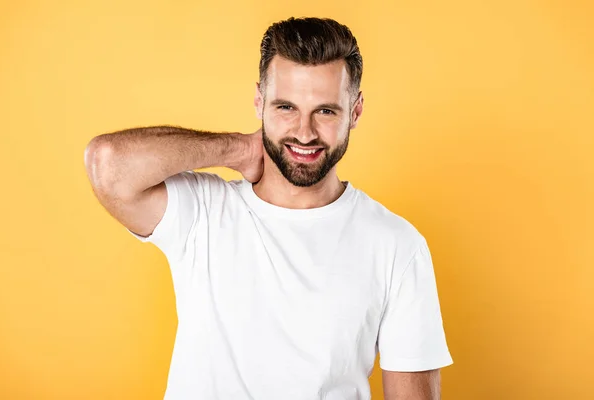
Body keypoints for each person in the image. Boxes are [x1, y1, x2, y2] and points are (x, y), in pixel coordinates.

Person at [84, 16, 453, 400]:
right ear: (259, 102)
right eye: (286, 107)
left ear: (355, 111)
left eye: (325, 111)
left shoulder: (397, 245)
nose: (305, 132)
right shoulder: (204, 212)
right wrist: (237, 149)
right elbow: (107, 163)